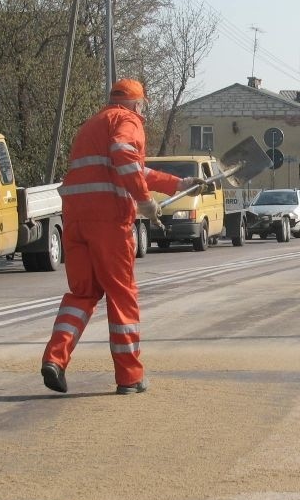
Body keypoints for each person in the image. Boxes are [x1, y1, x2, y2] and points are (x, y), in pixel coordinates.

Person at [41, 78, 206, 395]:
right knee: (121, 295)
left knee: (82, 295)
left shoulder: (92, 125)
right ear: (137, 104)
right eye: (142, 107)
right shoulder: (126, 120)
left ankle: (54, 359)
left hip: (76, 220)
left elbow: (131, 168)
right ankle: (130, 377)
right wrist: (144, 202)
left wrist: (179, 184)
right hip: (108, 221)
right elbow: (124, 154)